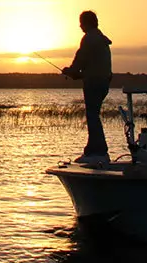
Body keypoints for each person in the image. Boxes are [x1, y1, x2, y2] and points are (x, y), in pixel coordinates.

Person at [62, 10, 113, 164]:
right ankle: (92, 151)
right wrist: (77, 73)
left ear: (86, 23)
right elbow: (90, 64)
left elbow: (80, 60)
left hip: (94, 83)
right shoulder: (100, 38)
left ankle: (99, 152)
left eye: (81, 22)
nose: (80, 26)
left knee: (92, 116)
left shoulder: (89, 39)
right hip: (103, 82)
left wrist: (70, 71)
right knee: (93, 115)